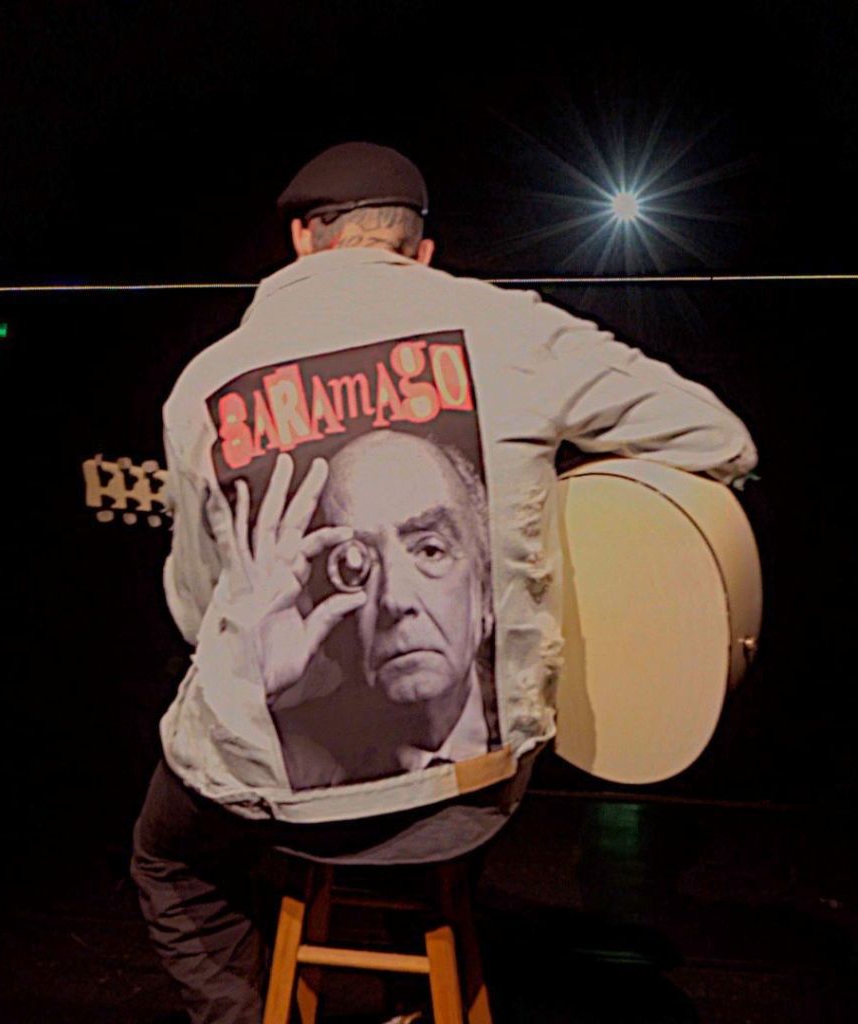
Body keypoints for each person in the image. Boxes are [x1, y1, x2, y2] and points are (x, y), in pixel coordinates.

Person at [131, 141, 757, 1024]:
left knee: (171, 863)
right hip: (475, 792)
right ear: (419, 250)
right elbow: (720, 440)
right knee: (429, 807)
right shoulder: (514, 332)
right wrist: (544, 520)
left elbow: (197, 612)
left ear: (303, 240)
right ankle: (414, 995)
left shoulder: (202, 384)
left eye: (428, 548)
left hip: (275, 798)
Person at [272, 431, 494, 788]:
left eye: (430, 550)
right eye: (355, 566)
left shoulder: (555, 726)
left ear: (485, 589)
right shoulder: (286, 756)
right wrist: (244, 684)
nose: (394, 599)